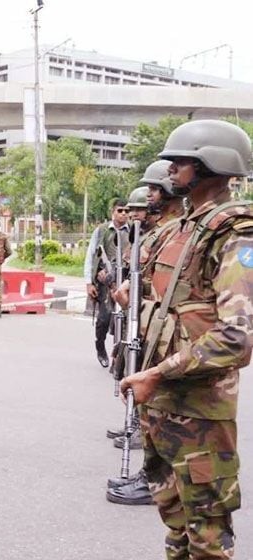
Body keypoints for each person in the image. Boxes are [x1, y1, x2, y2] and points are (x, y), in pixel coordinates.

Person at [119, 120, 253, 559]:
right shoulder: (184, 228)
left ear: (211, 164)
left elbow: (237, 337)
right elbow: (174, 306)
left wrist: (159, 372)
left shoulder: (235, 232)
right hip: (162, 405)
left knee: (207, 538)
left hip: (199, 411)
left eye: (181, 161)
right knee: (175, 525)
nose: (170, 170)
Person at [107, 163, 179, 508]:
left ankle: (158, 479)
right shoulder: (163, 232)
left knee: (170, 417)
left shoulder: (179, 231)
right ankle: (153, 475)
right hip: (153, 328)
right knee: (156, 412)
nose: (145, 202)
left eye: (153, 191)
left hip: (174, 339)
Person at [84, 198, 129, 367]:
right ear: (113, 212)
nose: (123, 214)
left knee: (125, 321)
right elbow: (90, 256)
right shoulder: (102, 231)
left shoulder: (133, 231)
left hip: (124, 281)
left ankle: (120, 356)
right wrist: (89, 282)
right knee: (104, 319)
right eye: (120, 210)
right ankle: (100, 347)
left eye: (126, 211)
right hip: (104, 282)